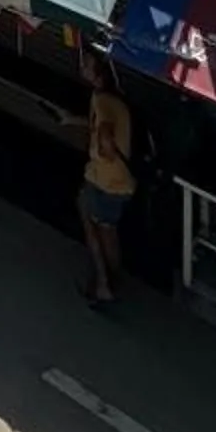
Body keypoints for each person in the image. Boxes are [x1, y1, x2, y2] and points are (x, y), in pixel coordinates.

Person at [68, 52, 135, 307]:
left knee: (104, 230)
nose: (81, 66)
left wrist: (103, 151)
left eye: (86, 64)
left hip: (109, 181)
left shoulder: (104, 100)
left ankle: (107, 283)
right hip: (106, 180)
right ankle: (105, 281)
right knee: (96, 221)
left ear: (98, 73)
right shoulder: (109, 100)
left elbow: (105, 133)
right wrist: (71, 119)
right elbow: (99, 127)